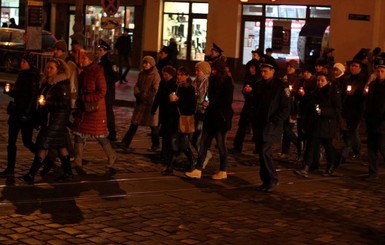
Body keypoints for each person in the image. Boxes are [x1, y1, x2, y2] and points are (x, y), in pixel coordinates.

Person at [19, 58, 72, 185]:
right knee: (61, 145)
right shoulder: (47, 82)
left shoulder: (62, 84)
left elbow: (64, 104)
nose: (48, 70)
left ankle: (31, 174)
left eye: (51, 68)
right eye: (47, 68)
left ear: (58, 70)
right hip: (49, 119)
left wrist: (46, 103)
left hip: (56, 120)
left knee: (42, 144)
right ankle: (68, 172)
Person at [185, 59, 234, 180]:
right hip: (210, 117)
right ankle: (198, 169)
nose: (213, 71)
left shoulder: (227, 81)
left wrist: (210, 102)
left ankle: (223, 170)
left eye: (215, 69)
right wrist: (208, 102)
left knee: (221, 145)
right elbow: (210, 94)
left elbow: (226, 100)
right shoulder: (211, 80)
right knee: (204, 143)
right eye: (212, 69)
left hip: (221, 118)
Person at [72, 49, 116, 174]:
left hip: (95, 109)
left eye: (84, 58)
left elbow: (102, 91)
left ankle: (111, 155)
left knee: (99, 135)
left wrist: (87, 98)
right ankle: (78, 161)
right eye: (81, 58)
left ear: (90, 60)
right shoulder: (82, 73)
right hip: (83, 109)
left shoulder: (97, 72)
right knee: (79, 133)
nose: (81, 61)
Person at [253, 61, 291, 192]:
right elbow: (255, 103)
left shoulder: (281, 86)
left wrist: (275, 120)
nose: (263, 74)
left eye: (266, 71)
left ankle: (272, 178)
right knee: (262, 153)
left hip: (271, 125)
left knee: (265, 151)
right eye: (262, 71)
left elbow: (286, 108)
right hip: (259, 123)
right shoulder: (259, 85)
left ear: (273, 71)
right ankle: (266, 180)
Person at [0, 53, 39, 178]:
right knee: (11, 141)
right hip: (16, 112)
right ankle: (10, 168)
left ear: (30, 63)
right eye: (21, 61)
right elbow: (19, 94)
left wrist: (27, 114)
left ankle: (44, 156)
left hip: (24, 114)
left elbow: (32, 98)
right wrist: (10, 92)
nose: (21, 63)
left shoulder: (32, 77)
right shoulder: (21, 75)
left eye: (24, 62)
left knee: (27, 141)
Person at [295, 73, 341, 177]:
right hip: (314, 123)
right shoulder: (315, 92)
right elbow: (309, 105)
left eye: (322, 81)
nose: (319, 83)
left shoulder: (332, 92)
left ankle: (330, 165)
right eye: (318, 80)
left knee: (328, 146)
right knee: (310, 146)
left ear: (328, 81)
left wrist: (323, 112)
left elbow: (337, 109)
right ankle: (306, 167)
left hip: (326, 124)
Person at [118, 56, 161, 152]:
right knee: (134, 123)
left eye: (147, 63)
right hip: (140, 102)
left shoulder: (155, 75)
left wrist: (145, 96)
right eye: (144, 63)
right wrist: (137, 92)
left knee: (153, 125)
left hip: (150, 104)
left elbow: (155, 90)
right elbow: (137, 84)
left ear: (151, 64)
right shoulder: (142, 73)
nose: (144, 65)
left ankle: (156, 144)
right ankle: (125, 142)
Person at [161, 67, 197, 175]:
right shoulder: (177, 87)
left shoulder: (190, 89)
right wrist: (171, 99)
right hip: (173, 119)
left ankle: (192, 161)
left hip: (183, 120)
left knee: (182, 144)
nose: (179, 77)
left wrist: (178, 100)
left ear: (186, 76)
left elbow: (191, 107)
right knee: (173, 142)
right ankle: (170, 166)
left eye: (181, 75)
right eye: (178, 75)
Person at [339, 59, 368, 162]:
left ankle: (354, 150)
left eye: (355, 66)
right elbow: (343, 93)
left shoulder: (364, 79)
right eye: (351, 66)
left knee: (353, 131)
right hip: (347, 108)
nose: (353, 68)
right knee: (346, 131)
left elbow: (365, 95)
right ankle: (352, 148)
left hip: (357, 108)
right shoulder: (347, 79)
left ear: (360, 68)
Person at [231, 58, 261, 154]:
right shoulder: (248, 77)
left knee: (256, 128)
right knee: (242, 126)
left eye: (253, 68)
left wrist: (252, 92)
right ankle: (237, 146)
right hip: (248, 105)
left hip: (256, 106)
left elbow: (260, 93)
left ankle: (258, 148)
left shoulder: (260, 78)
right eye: (250, 68)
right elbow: (243, 89)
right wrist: (245, 91)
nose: (251, 70)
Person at [363, 57, 385, 180]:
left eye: (382, 71)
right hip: (372, 121)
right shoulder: (373, 85)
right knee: (371, 148)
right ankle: (372, 172)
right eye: (378, 71)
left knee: (382, 146)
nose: (379, 73)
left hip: (383, 122)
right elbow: (369, 102)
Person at [151, 65, 178, 161]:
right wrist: (154, 108)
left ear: (171, 75)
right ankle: (164, 153)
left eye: (166, 75)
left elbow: (174, 98)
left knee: (169, 134)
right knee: (163, 133)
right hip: (163, 110)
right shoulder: (163, 83)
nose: (164, 76)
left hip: (171, 112)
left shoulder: (174, 84)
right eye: (163, 74)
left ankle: (170, 153)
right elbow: (158, 95)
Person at [277, 60, 301, 160]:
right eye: (288, 66)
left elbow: (298, 93)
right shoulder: (284, 78)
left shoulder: (298, 80)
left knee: (288, 129)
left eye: (291, 67)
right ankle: (284, 151)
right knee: (285, 129)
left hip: (293, 108)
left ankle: (299, 145)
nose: (289, 68)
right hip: (285, 106)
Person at [97, 39, 119, 142]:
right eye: (98, 49)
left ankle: (112, 133)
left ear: (106, 51)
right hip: (100, 91)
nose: (99, 51)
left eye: (101, 50)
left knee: (108, 113)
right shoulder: (99, 62)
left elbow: (116, 77)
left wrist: (104, 79)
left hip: (108, 92)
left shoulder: (110, 63)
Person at [191, 61, 212, 168]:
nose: (196, 72)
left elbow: (208, 96)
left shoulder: (208, 81)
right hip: (196, 111)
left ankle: (203, 158)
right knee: (194, 138)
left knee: (199, 138)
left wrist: (206, 102)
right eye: (195, 70)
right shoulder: (195, 82)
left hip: (203, 112)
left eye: (198, 70)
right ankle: (204, 155)